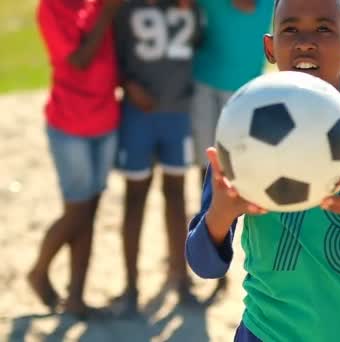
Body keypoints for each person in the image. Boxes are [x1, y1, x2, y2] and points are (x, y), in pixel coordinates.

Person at [186, 0, 340, 340]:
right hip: (266, 333)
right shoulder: (242, 127)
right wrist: (218, 217)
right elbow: (204, 265)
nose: (305, 41)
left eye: (324, 28)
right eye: (290, 29)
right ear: (270, 47)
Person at [28, 0, 122, 318]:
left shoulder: (95, 3)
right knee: (78, 210)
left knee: (89, 210)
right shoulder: (51, 9)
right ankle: (39, 271)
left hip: (105, 119)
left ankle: (77, 296)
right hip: (69, 124)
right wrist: (108, 13)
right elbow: (79, 60)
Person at [111, 0, 203, 314]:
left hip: (178, 113)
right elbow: (114, 56)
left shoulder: (188, 6)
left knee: (176, 197)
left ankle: (180, 278)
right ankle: (131, 285)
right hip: (138, 114)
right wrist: (127, 84)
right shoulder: (126, 8)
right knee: (134, 197)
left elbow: (202, 44)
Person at [189, 0, 275, 293]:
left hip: (246, 93)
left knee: (241, 176)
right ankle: (211, 247)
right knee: (207, 172)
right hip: (203, 85)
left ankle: (229, 255)